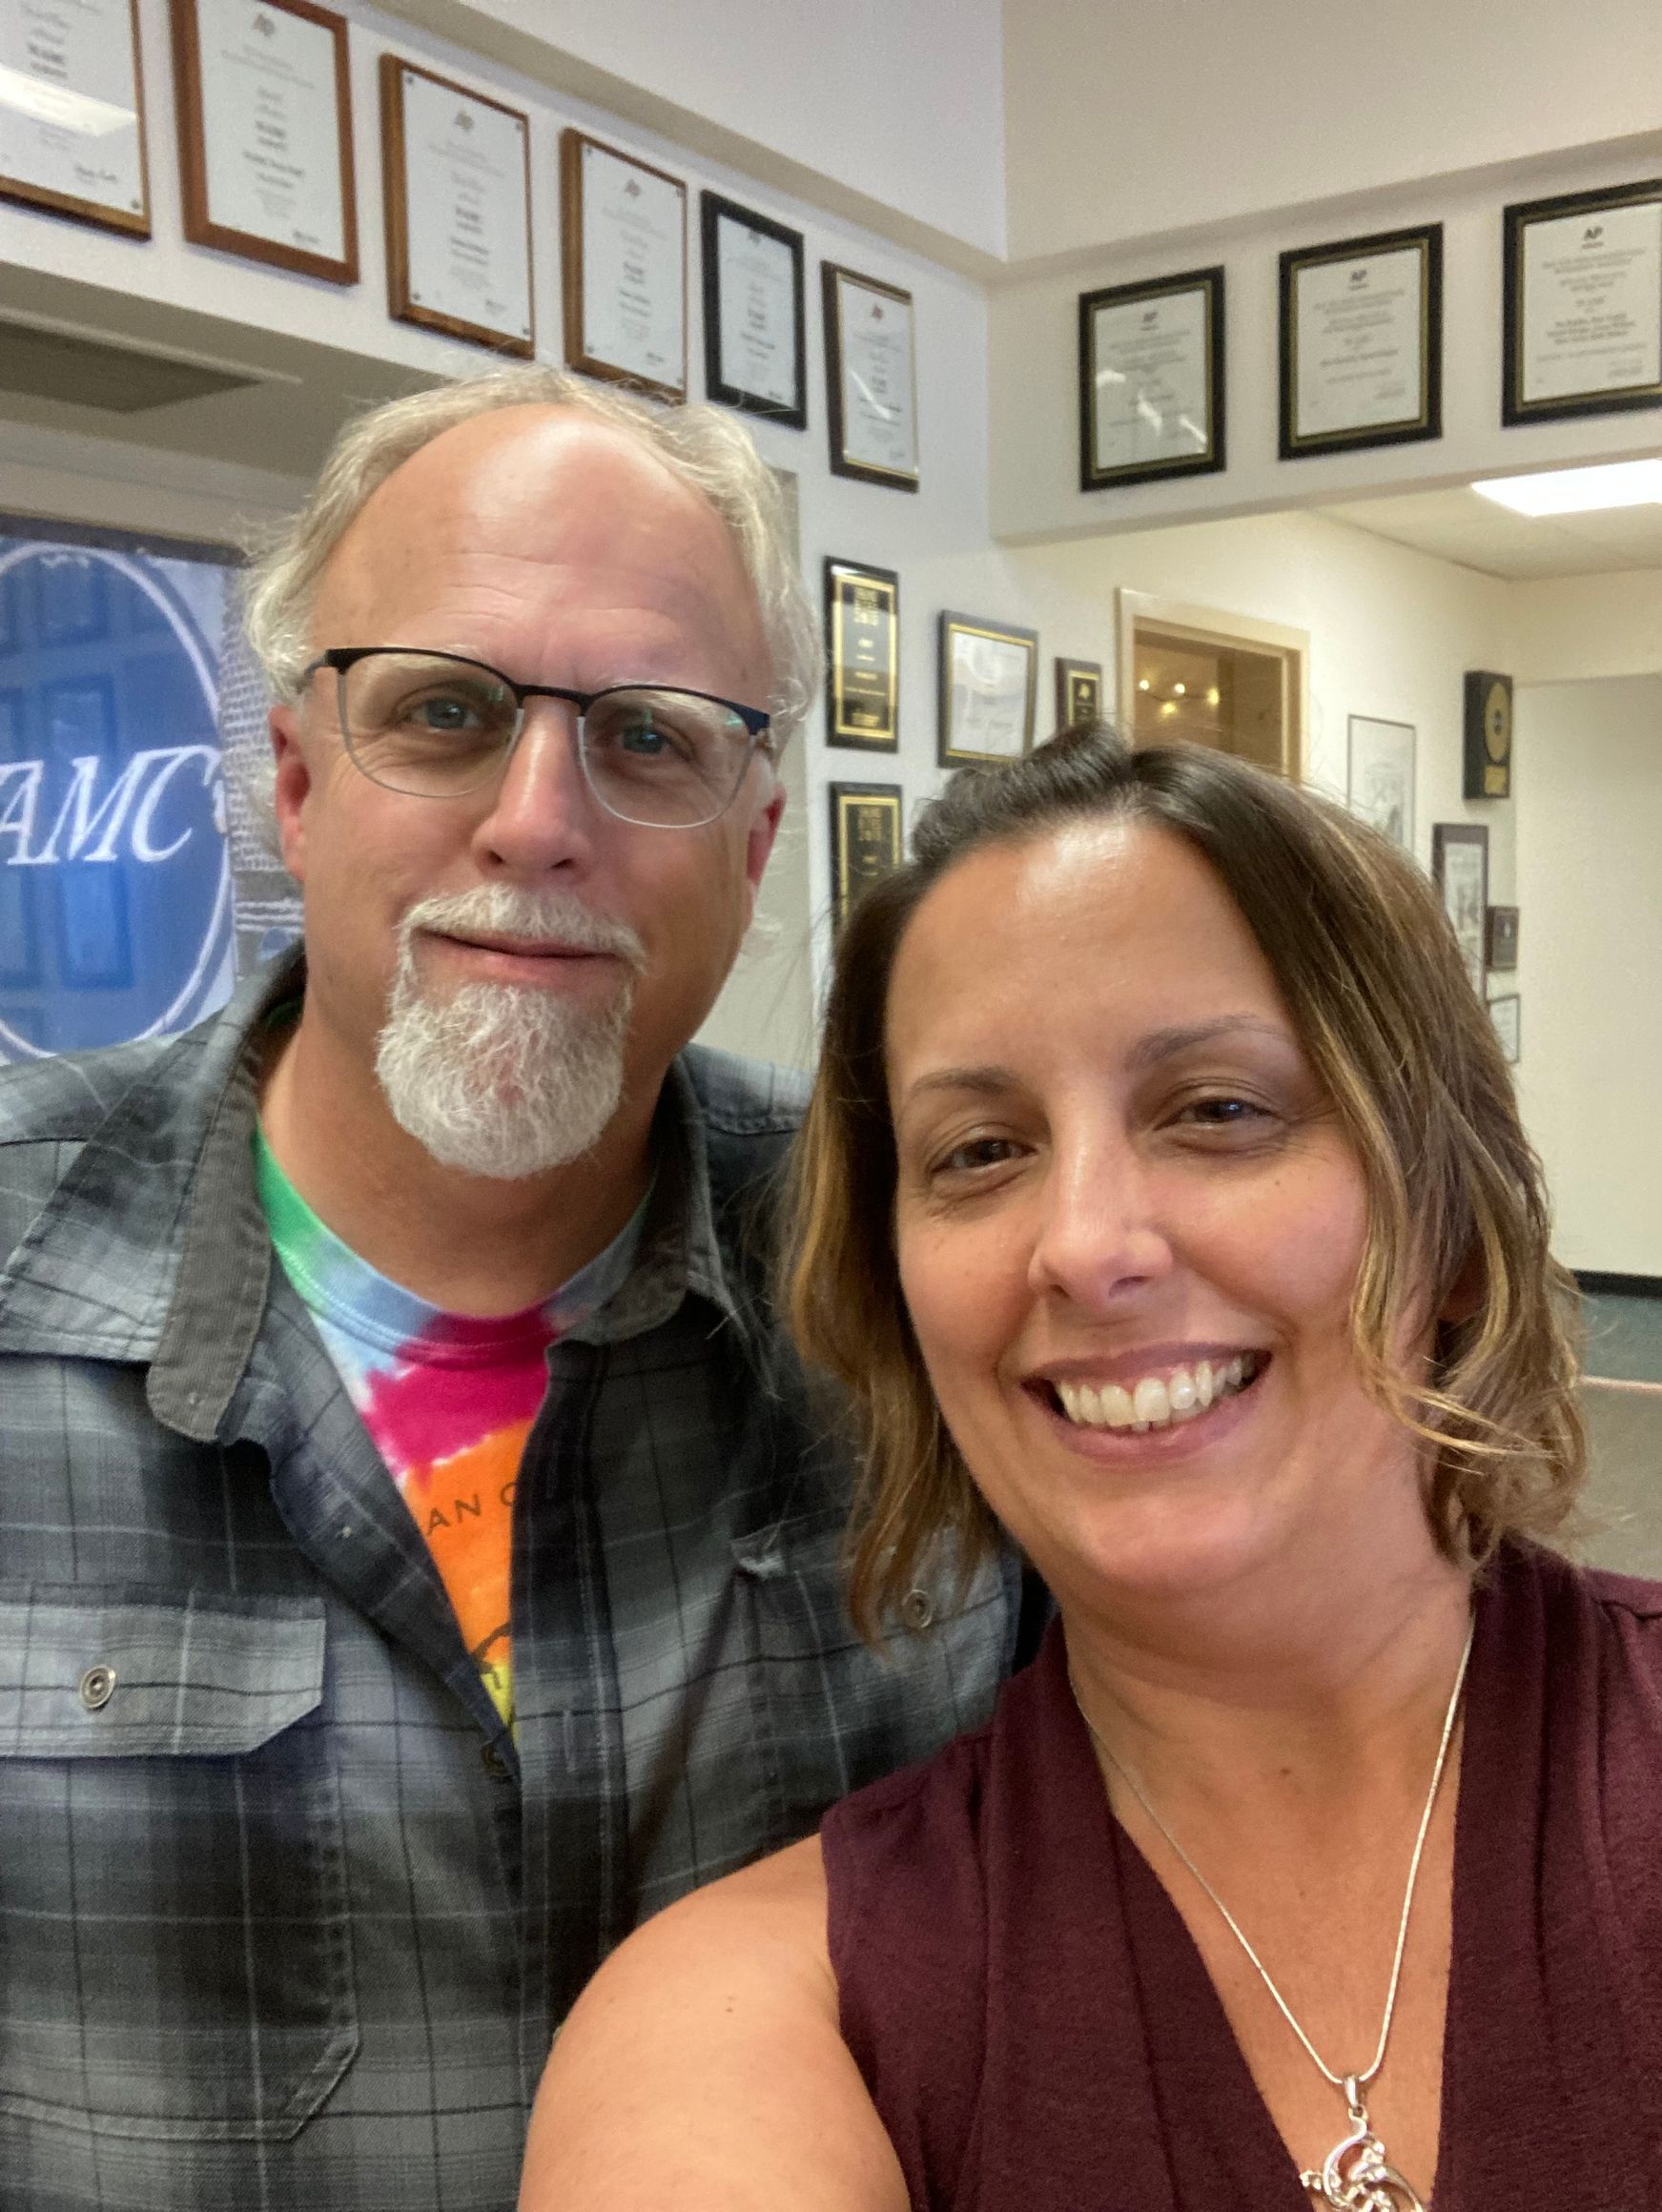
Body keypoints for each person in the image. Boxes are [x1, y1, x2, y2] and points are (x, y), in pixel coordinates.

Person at [0, 367, 1018, 2211]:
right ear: (296, 787)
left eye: (647, 737)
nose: (539, 820)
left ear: (757, 841)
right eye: (446, 714)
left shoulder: (919, 1284)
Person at [521, 724, 1662, 2212]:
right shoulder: (775, 2013)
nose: (1087, 1248)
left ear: (1443, 1223)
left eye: (1220, 1111)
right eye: (981, 1151)